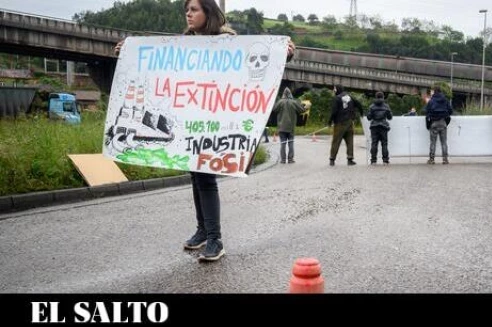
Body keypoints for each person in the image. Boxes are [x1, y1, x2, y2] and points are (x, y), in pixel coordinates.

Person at [116, 0, 295, 262]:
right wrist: (128, 51)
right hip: (190, 122)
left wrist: (286, 52)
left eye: (194, 10)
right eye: (186, 10)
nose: (188, 14)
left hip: (215, 121)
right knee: (196, 175)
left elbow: (258, 61)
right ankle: (202, 231)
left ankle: (215, 240)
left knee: (206, 179)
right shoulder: (184, 44)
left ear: (208, 12)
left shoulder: (229, 42)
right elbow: (158, 66)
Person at [328, 84, 364, 166]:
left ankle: (332, 159)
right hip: (350, 123)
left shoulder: (337, 98)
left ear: (337, 89)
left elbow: (334, 111)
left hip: (339, 123)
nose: (334, 91)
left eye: (334, 89)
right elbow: (358, 104)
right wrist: (361, 113)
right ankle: (350, 159)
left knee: (336, 141)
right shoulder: (350, 97)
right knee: (350, 141)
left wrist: (330, 121)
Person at [273, 87, 304, 164]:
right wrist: (303, 106)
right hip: (291, 127)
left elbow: (274, 110)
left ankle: (283, 160)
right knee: (291, 143)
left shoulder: (280, 102)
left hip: (281, 127)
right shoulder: (294, 102)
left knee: (283, 144)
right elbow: (301, 110)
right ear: (290, 94)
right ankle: (290, 159)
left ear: (283, 94)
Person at [423, 86, 452, 165]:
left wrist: (428, 125)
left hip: (434, 123)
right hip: (443, 123)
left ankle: (432, 160)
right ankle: (445, 159)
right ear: (440, 91)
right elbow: (450, 111)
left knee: (433, 142)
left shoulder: (431, 101)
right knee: (444, 142)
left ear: (434, 92)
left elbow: (426, 112)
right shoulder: (445, 100)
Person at [366, 91, 393, 164]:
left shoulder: (371, 106)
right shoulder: (386, 106)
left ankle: (373, 161)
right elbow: (390, 117)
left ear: (376, 97)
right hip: (383, 126)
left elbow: (368, 117)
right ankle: (385, 160)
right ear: (383, 97)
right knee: (384, 144)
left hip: (374, 126)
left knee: (374, 143)